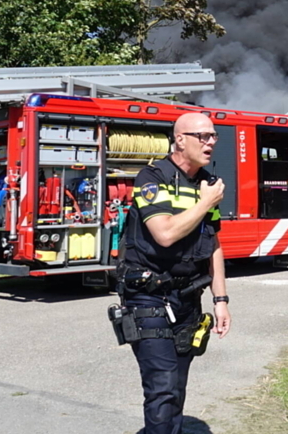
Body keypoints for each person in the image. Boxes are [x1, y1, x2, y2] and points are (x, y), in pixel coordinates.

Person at [119, 112, 232, 434]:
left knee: (177, 385)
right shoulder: (152, 178)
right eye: (203, 136)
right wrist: (205, 201)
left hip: (187, 299)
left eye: (213, 136)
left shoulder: (207, 184)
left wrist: (220, 300)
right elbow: (165, 234)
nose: (211, 142)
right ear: (180, 139)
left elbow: (214, 245)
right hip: (147, 298)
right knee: (163, 386)